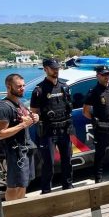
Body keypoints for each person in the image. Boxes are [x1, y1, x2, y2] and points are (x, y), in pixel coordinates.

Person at [30, 58, 74, 193]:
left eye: (57, 68)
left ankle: (68, 187)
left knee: (67, 161)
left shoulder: (65, 87)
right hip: (48, 133)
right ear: (45, 69)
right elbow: (34, 112)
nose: (56, 70)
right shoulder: (39, 90)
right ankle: (46, 191)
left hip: (64, 130)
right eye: (53, 68)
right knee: (48, 164)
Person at [0, 74, 38, 200]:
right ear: (9, 87)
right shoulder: (4, 107)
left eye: (23, 85)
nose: (22, 88)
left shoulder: (19, 103)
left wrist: (34, 119)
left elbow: (24, 122)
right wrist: (23, 124)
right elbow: (1, 133)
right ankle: (11, 213)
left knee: (23, 184)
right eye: (19, 86)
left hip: (25, 149)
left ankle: (20, 211)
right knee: (14, 186)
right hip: (15, 152)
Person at [82, 65, 109, 183]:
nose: (107, 77)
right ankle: (98, 177)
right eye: (104, 75)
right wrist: (96, 120)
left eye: (108, 74)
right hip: (102, 128)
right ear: (98, 76)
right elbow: (85, 111)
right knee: (100, 154)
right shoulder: (94, 92)